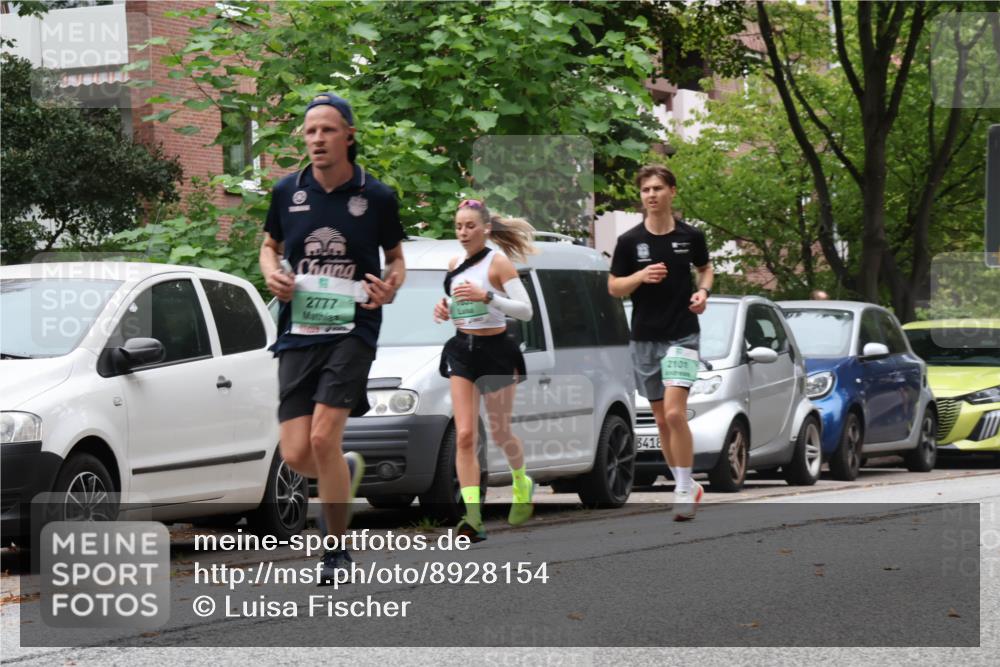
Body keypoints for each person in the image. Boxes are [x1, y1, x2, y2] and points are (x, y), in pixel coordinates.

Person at [259, 93, 406, 582]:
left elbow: (397, 259)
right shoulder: (287, 192)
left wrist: (390, 286)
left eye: (327, 130)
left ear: (348, 136)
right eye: (309, 131)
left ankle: (335, 550)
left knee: (323, 434)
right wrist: (271, 275)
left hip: (353, 326)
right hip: (298, 330)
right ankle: (340, 468)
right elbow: (268, 248)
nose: (317, 139)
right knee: (299, 455)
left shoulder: (377, 196)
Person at [609, 165, 714, 521]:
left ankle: (683, 487)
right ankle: (687, 484)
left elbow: (706, 268)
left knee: (674, 412)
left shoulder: (691, 236)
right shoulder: (629, 242)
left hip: (683, 334)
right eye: (645, 190)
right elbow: (614, 287)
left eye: (657, 188)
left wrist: (703, 292)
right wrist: (640, 275)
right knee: (661, 420)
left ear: (672, 191)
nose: (651, 195)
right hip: (644, 338)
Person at [432, 199, 536, 542]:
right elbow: (456, 301)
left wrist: (488, 297)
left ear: (486, 229)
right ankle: (472, 517)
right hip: (463, 350)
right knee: (464, 435)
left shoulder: (498, 262)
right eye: (459, 226)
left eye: (470, 226)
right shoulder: (454, 263)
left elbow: (525, 311)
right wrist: (444, 309)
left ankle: (522, 482)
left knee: (501, 431)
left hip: (496, 352)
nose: (463, 232)